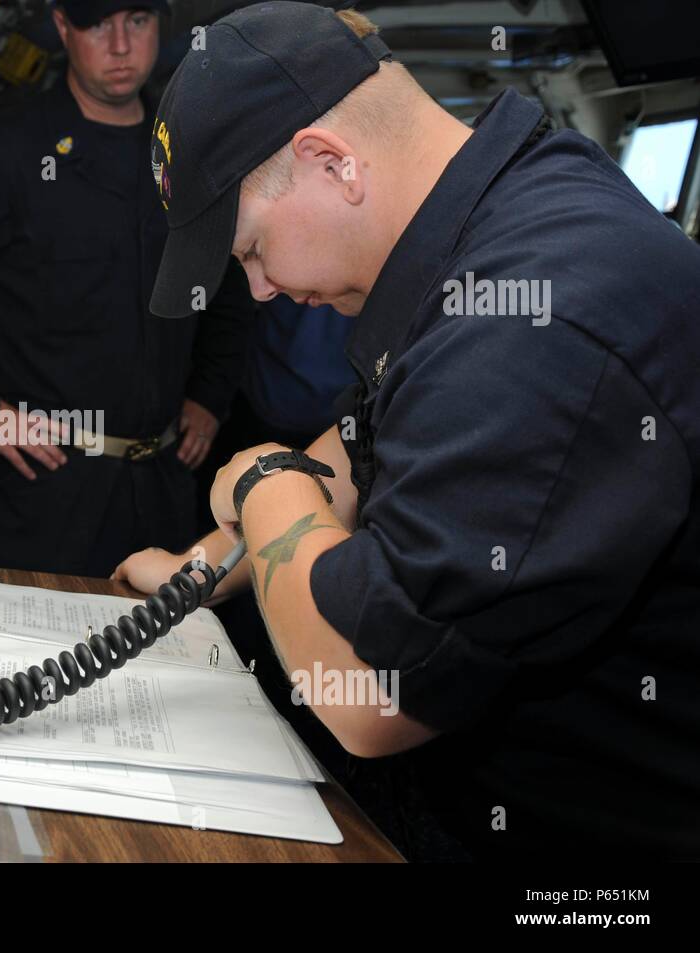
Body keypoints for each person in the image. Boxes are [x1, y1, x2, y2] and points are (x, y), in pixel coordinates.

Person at [116, 1, 700, 859]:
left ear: (330, 163)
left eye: (248, 251)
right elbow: (360, 442)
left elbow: (365, 689)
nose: (262, 291)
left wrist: (260, 488)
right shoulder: (503, 211)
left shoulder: (537, 321)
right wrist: (197, 572)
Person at [0, 0, 252, 578]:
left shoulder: (189, 156)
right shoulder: (2, 154)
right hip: (46, 494)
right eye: (97, 24)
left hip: (164, 489)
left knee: (163, 662)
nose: (120, 45)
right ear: (64, 27)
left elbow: (231, 282)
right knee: (40, 666)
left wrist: (211, 396)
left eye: (137, 21)